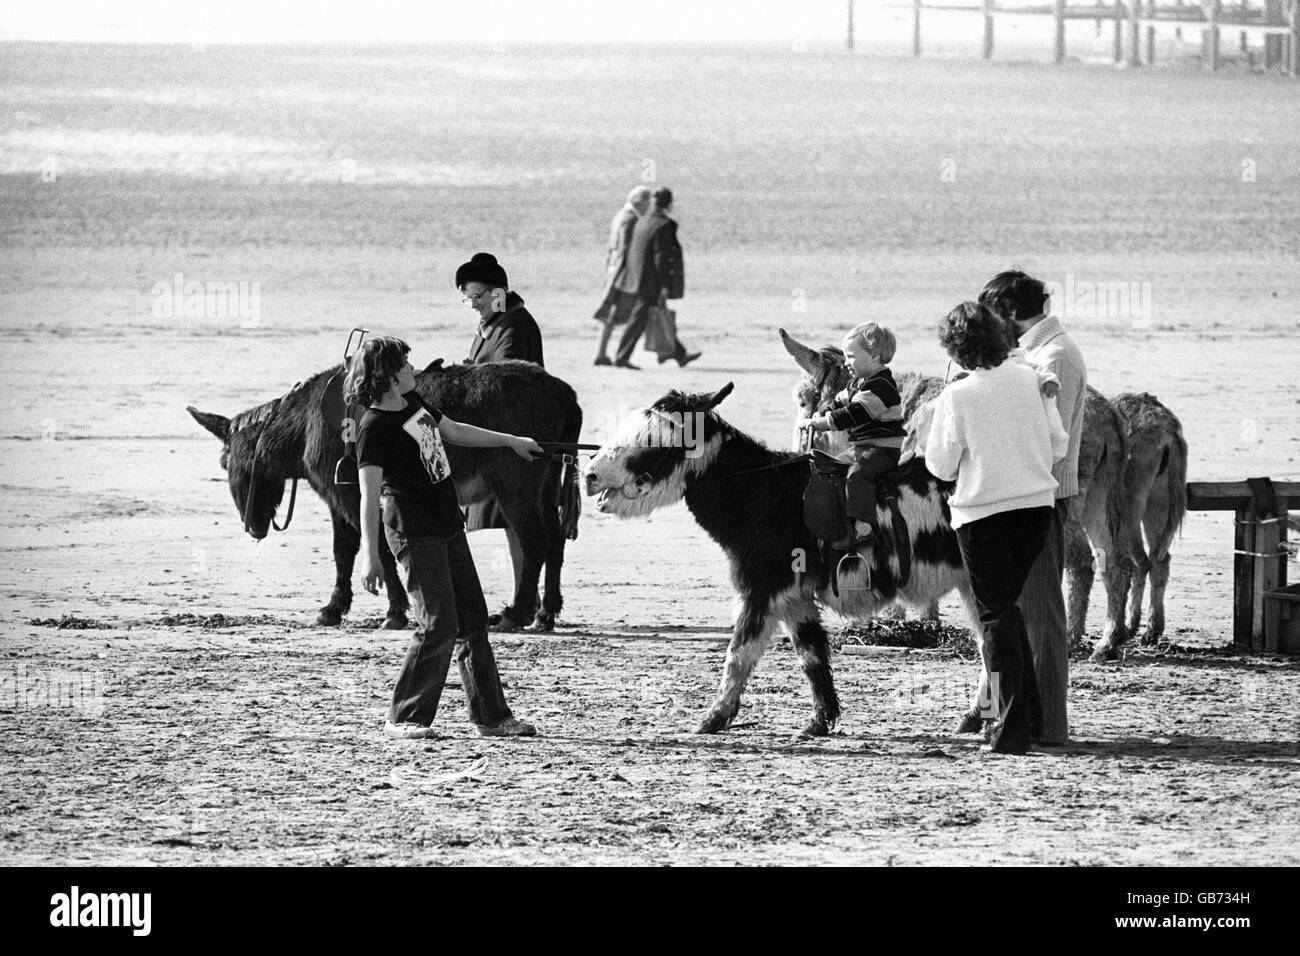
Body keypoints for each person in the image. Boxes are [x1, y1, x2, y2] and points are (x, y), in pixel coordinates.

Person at [350, 335, 544, 740]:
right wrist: (369, 557)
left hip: (446, 524)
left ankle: (491, 718)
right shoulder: (372, 427)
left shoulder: (414, 403)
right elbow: (369, 498)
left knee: (473, 620)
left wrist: (511, 442)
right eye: (404, 366)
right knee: (437, 624)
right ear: (386, 375)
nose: (412, 370)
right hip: (412, 531)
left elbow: (454, 431)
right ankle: (404, 718)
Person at [923, 302, 1069, 755]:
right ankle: (1029, 715)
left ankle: (1010, 729)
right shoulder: (1032, 380)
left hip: (984, 515)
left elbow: (940, 465)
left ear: (957, 350)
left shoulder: (958, 396)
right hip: (1035, 510)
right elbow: (1058, 444)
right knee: (1008, 613)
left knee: (995, 619)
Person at [979, 270, 1086, 747]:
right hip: (1026, 496)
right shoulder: (1039, 353)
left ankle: (1048, 724)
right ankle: (998, 710)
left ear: (1009, 312)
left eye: (994, 317)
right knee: (1011, 612)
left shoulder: (1056, 357)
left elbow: (1051, 440)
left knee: (1042, 615)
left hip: (1040, 499)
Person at [799, 322, 905, 548]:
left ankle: (863, 527)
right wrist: (824, 410)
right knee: (830, 467)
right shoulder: (859, 383)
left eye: (851, 356)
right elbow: (840, 401)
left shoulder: (881, 387)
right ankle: (835, 519)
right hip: (861, 446)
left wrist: (821, 423)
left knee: (858, 474)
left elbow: (852, 414)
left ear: (875, 356)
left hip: (881, 449)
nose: (846, 362)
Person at [612, 186, 700, 370]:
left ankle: (678, 354)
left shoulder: (643, 220)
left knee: (657, 316)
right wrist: (665, 285)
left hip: (639, 277)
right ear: (669, 203)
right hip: (652, 282)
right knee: (640, 319)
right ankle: (622, 357)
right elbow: (662, 257)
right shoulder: (664, 225)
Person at [592, 186, 651, 365]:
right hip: (623, 276)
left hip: (615, 272)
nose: (649, 207)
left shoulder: (621, 215)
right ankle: (616, 356)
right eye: (648, 202)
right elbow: (624, 249)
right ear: (641, 202)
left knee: (611, 316)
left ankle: (602, 354)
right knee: (620, 315)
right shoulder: (631, 219)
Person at [458, 252, 544, 368]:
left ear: (499, 292)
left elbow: (503, 381)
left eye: (477, 296)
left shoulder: (513, 328)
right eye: (468, 299)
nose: (473, 305)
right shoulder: (491, 322)